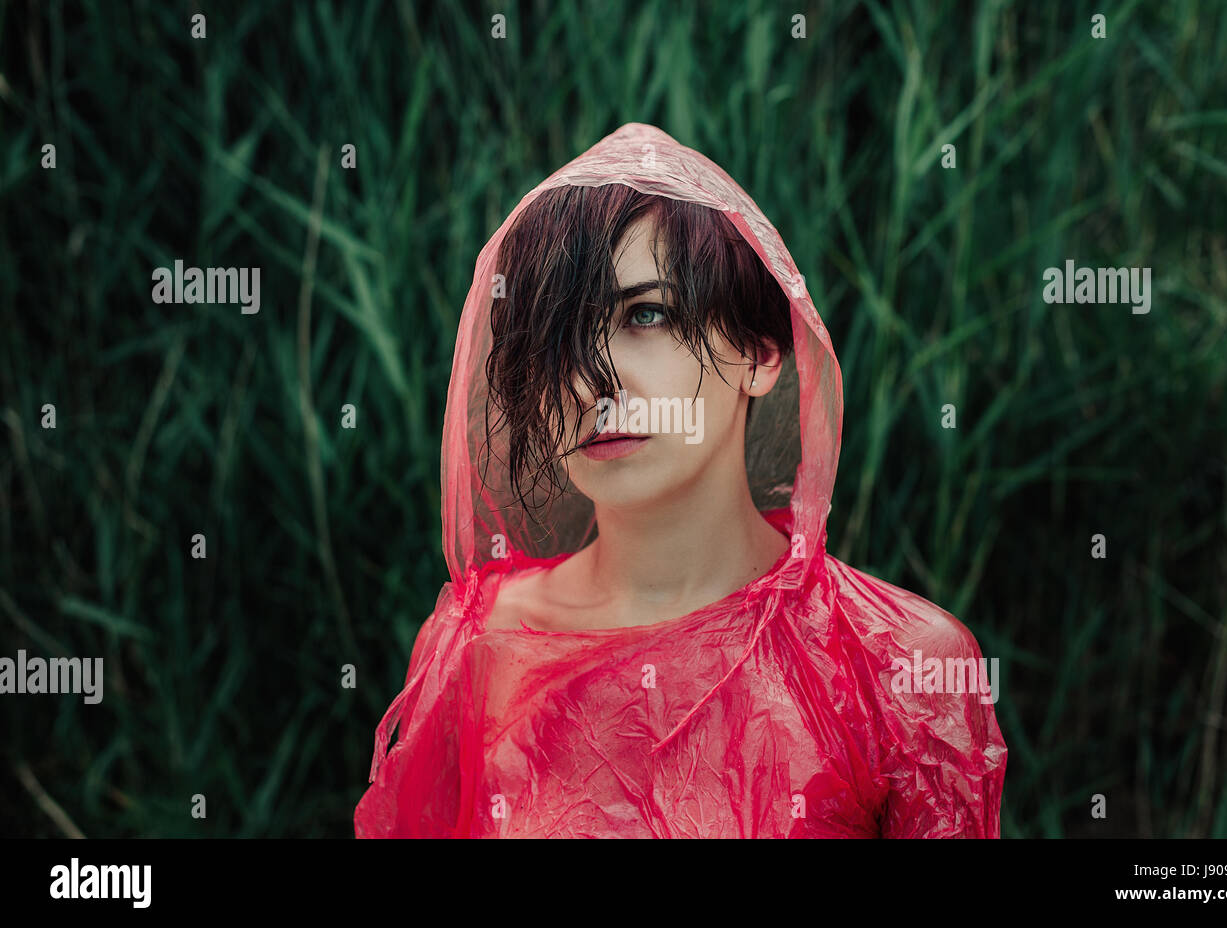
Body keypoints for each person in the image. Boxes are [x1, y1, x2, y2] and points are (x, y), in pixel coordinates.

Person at [355, 123, 1007, 837]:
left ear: (761, 355)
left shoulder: (898, 664)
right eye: (555, 338)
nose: (586, 381)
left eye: (647, 313)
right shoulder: (479, 649)